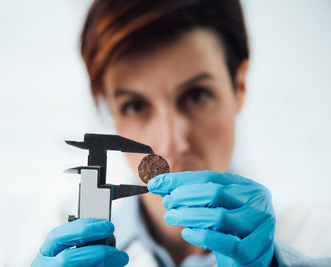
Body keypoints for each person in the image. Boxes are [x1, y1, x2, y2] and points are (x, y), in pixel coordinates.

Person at [30, 0, 331, 266]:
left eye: (197, 96)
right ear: (108, 108)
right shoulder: (48, 237)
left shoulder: (317, 239)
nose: (171, 145)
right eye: (135, 106)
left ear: (239, 85)